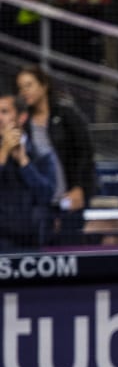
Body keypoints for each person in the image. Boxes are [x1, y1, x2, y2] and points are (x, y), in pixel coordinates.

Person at [16, 64, 96, 246]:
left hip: (71, 197)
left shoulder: (66, 114)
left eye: (29, 85)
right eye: (21, 88)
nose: (24, 91)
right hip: (41, 204)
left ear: (44, 86)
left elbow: (85, 152)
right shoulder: (24, 124)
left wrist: (79, 187)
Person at [0, 91, 56, 251]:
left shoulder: (41, 153)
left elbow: (46, 195)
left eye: (4, 112)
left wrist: (24, 163)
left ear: (22, 117)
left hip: (32, 241)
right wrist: (3, 153)